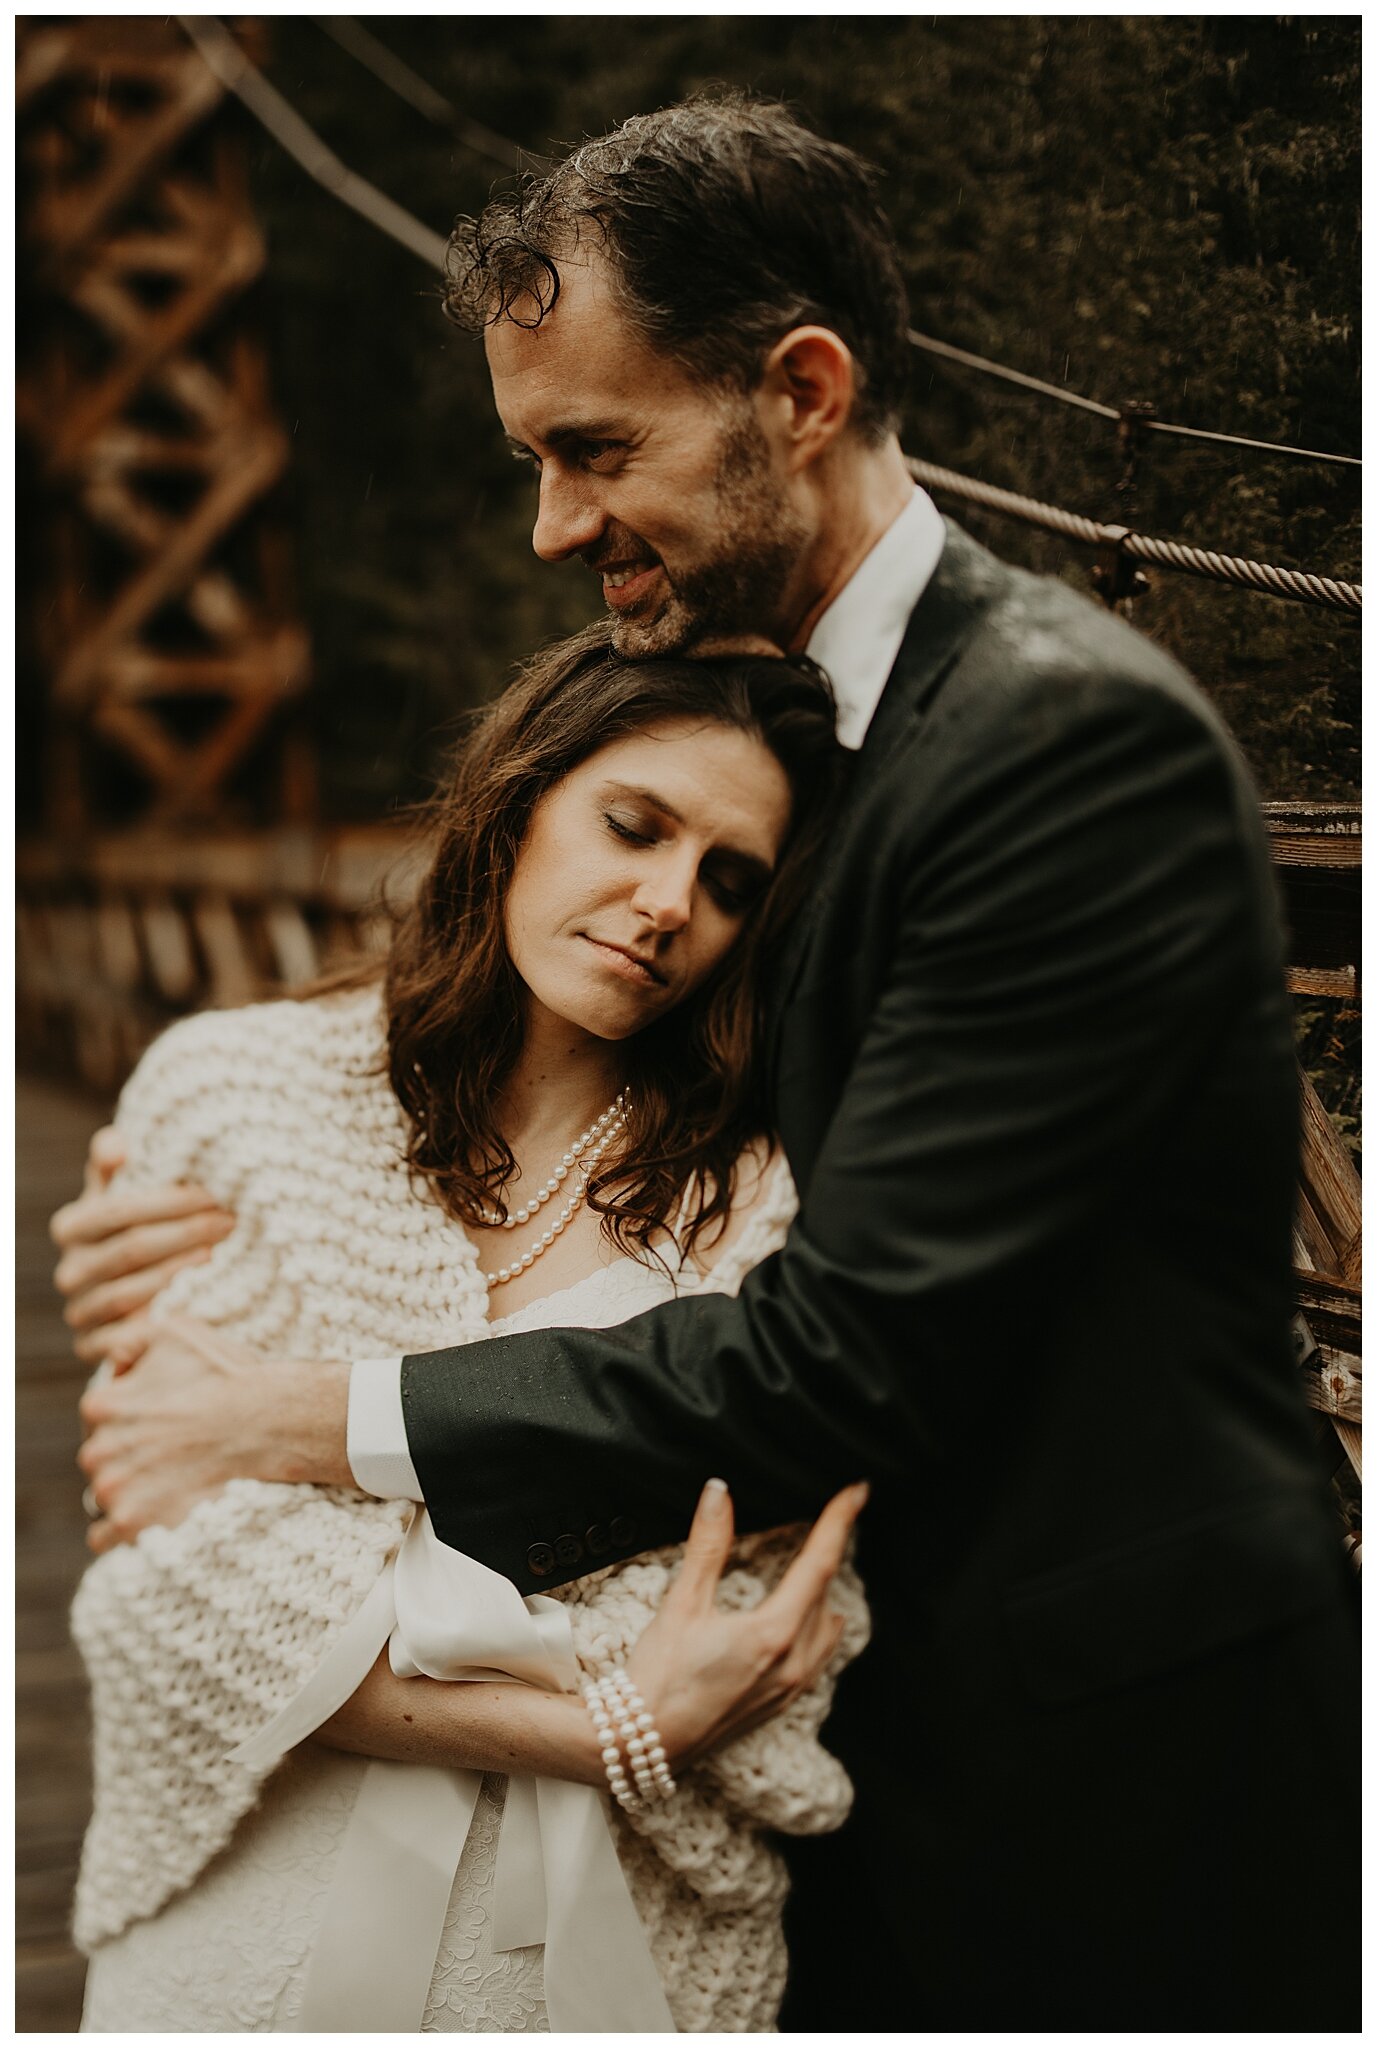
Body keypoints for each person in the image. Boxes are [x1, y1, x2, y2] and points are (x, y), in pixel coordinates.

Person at [62, 96, 1358, 2030]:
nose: (553, 525)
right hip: (859, 1755)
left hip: (1096, 1763)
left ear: (804, 392)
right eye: (531, 460)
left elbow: (853, 1348)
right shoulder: (836, 744)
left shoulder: (1058, 750)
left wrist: (301, 1409)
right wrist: (233, 1182)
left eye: (595, 451)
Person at [69, 627, 873, 2034]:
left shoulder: (761, 1204)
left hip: (589, 1968)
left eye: (729, 881)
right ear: (517, 804)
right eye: (632, 825)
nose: (666, 900)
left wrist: (336, 1529)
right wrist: (609, 1721)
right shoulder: (235, 1100)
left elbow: (760, 1615)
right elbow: (178, 1576)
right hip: (245, 1933)